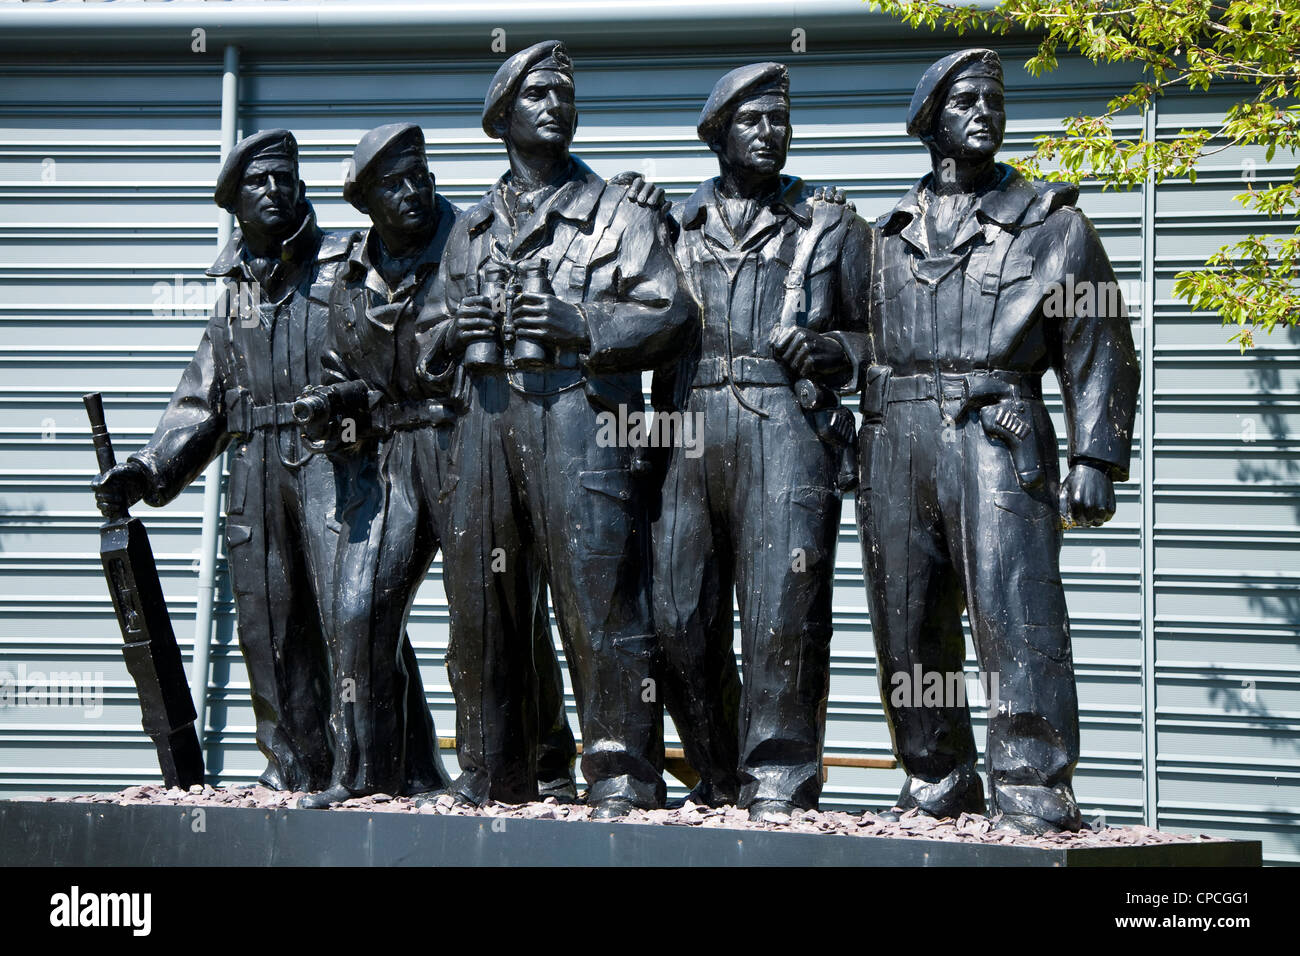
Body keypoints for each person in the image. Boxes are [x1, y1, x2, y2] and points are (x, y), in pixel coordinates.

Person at [846, 49, 1139, 834]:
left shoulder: (1052, 227)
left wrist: (1095, 457)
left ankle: (1031, 780)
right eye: (967, 101)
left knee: (1015, 609)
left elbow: (1100, 341)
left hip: (996, 430)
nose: (985, 113)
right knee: (908, 621)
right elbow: (847, 338)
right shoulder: (886, 235)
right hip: (895, 438)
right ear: (931, 122)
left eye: (994, 101)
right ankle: (935, 772)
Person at [416, 40, 690, 817]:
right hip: (486, 426)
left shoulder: (617, 213)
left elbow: (670, 312)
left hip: (581, 419)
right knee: (481, 604)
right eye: (538, 94)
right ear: (503, 116)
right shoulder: (468, 232)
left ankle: (621, 775)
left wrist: (582, 323)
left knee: (601, 598)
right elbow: (425, 345)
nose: (556, 105)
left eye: (565, 94)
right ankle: (488, 770)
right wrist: (451, 332)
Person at [91, 130, 356, 793]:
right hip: (254, 473)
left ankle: (374, 771)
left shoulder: (343, 268)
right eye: (258, 183)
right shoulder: (233, 297)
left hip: (331, 465)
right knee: (267, 625)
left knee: (353, 620)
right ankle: (293, 770)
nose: (274, 191)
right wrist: (148, 469)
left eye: (284, 178)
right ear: (235, 203)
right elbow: (200, 400)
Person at [650, 63, 870, 822]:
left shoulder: (829, 222)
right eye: (754, 121)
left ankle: (779, 776)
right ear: (719, 135)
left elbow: (886, 333)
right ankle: (715, 768)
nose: (771, 133)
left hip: (787, 424)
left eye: (781, 119)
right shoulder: (670, 226)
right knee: (678, 616)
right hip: (686, 425)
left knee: (784, 610)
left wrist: (843, 353)